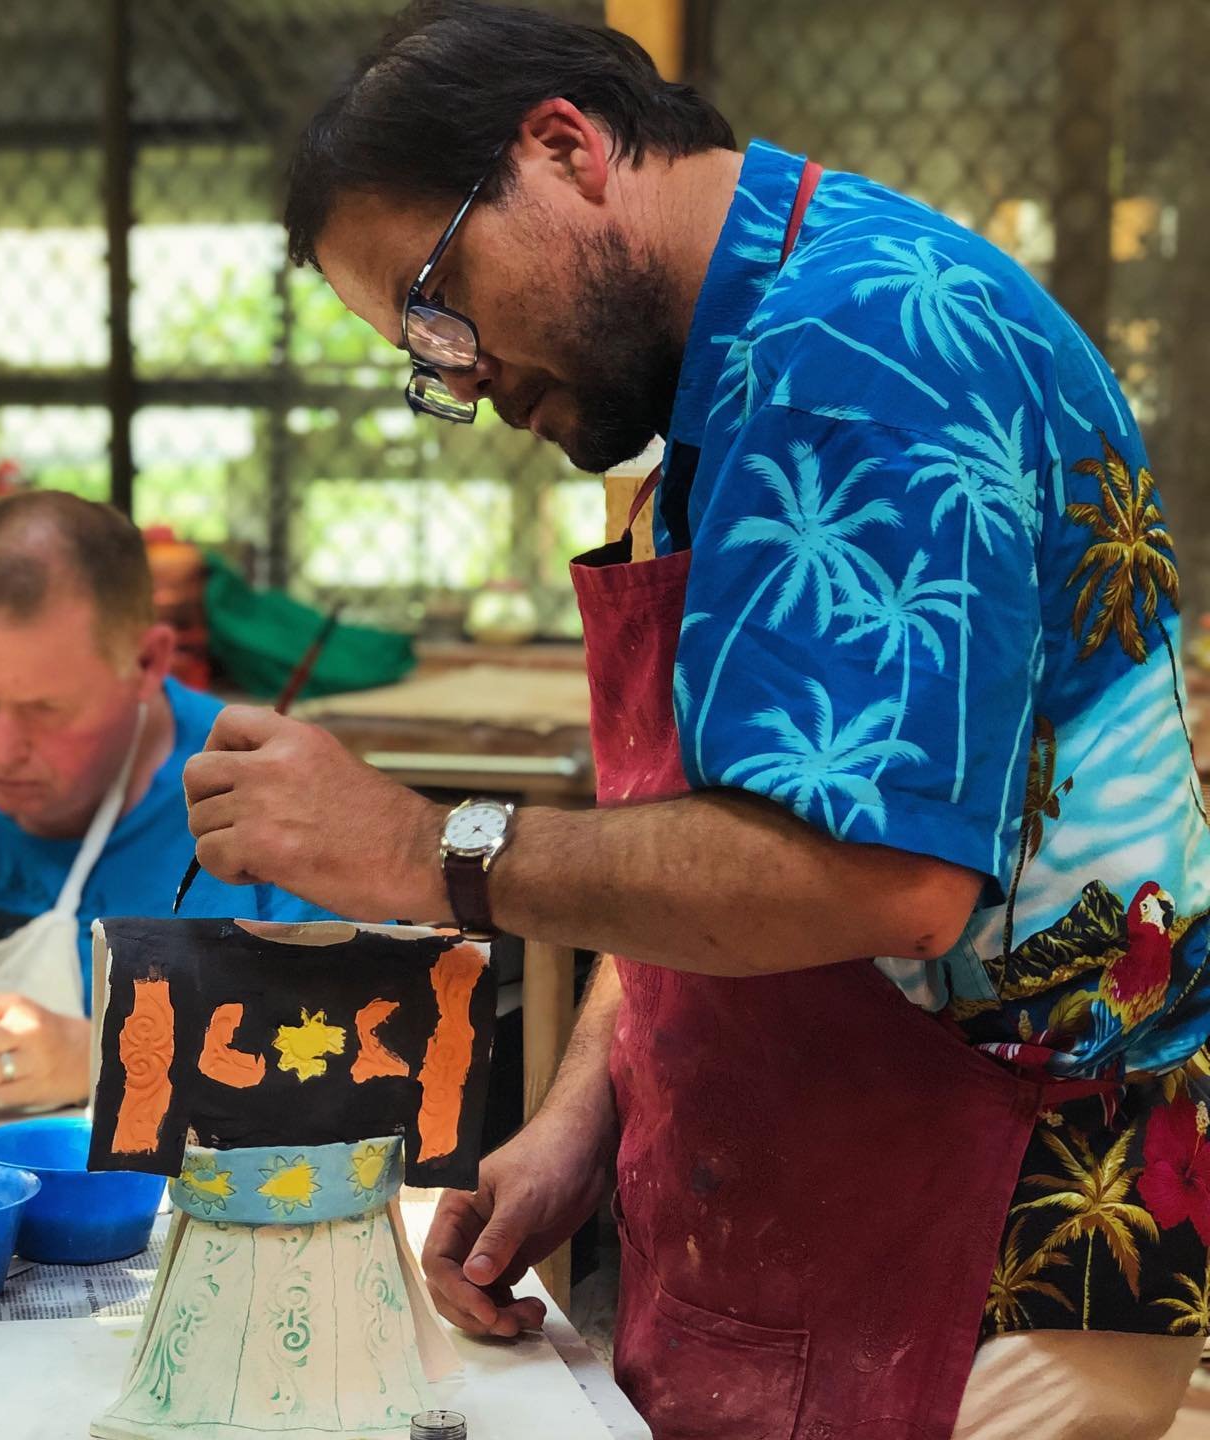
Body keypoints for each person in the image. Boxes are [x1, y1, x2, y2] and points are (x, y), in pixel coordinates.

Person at [181, 3, 1210, 1436]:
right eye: (421, 352)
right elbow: (716, 820)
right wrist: (580, 1119)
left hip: (983, 1249)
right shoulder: (732, 369)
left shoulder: (855, 351)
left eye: (435, 300)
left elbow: (871, 876)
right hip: (818, 1208)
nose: (461, 379)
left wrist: (428, 847)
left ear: (564, 148)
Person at [0, 490, 329, 1112]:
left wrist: (111, 1055)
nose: (0, 751)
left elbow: (363, 1050)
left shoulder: (266, 799)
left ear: (149, 660)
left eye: (46, 710)